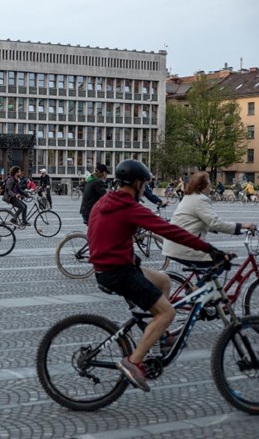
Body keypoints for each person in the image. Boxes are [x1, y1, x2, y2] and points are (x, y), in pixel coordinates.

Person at [88, 159, 226, 392]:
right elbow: (170, 231)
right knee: (167, 312)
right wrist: (209, 249)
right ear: (137, 183)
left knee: (163, 280)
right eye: (145, 185)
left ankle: (159, 336)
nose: (145, 189)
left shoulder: (105, 201)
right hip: (117, 271)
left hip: (112, 266)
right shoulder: (130, 207)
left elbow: (95, 232)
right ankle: (133, 362)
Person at [163, 172, 255, 268]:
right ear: (202, 186)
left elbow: (202, 222)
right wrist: (243, 226)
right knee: (221, 261)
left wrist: (237, 230)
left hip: (174, 245)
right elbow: (216, 223)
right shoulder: (200, 199)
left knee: (213, 265)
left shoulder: (189, 197)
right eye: (209, 185)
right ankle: (202, 283)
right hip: (185, 247)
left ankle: (202, 282)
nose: (210, 187)